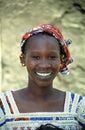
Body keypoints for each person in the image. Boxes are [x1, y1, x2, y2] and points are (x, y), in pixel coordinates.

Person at [0, 23, 85, 130]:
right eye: (36, 57)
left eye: (52, 57)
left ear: (61, 60)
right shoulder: (4, 108)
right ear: (23, 59)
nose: (44, 65)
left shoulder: (78, 109)